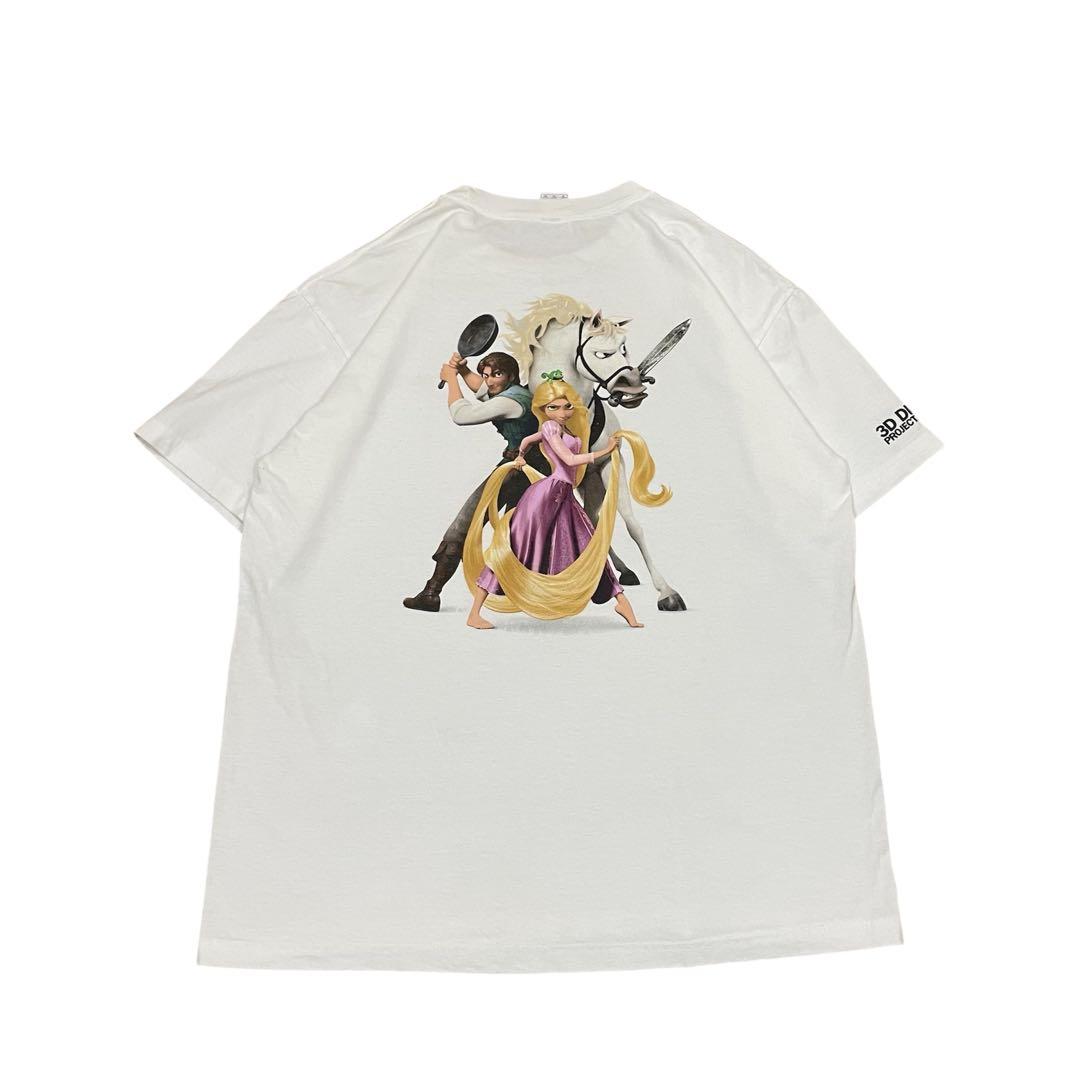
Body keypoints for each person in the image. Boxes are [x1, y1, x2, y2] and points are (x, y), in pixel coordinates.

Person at [463, 372, 671, 630]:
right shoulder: (550, 427)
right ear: (543, 409)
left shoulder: (563, 429)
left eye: (566, 406)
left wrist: (521, 455)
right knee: (515, 549)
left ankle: (621, 602)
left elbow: (528, 440)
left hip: (564, 497)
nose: (561, 412)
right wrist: (605, 451)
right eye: (554, 407)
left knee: (588, 545)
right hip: (546, 496)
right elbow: (569, 460)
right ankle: (474, 613)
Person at [403, 350, 549, 611]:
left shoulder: (511, 402)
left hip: (517, 470)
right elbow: (484, 391)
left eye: (496, 374)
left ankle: (431, 593)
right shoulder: (515, 393)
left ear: (511, 376)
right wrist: (462, 370)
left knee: (465, 522)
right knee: (514, 533)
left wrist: (451, 379)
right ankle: (519, 591)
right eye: (486, 374)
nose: (489, 380)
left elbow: (463, 415)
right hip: (531, 469)